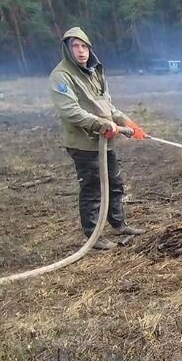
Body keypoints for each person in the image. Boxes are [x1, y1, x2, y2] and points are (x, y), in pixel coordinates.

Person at [49, 27, 148, 250]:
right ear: (67, 49)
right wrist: (101, 124)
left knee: (115, 183)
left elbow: (107, 106)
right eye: (75, 46)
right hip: (84, 144)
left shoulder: (94, 71)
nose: (81, 51)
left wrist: (127, 123)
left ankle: (119, 223)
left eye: (84, 46)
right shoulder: (61, 76)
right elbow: (70, 111)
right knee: (93, 188)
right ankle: (94, 236)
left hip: (106, 140)